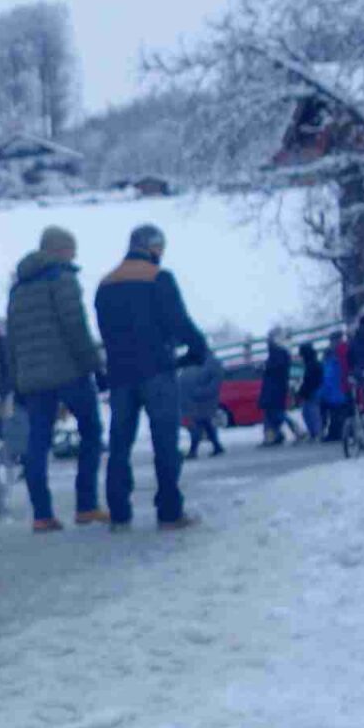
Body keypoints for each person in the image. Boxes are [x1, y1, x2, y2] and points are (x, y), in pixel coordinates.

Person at [94, 223, 211, 531]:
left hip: (120, 374)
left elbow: (104, 331)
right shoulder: (159, 277)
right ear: (153, 247)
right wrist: (198, 348)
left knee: (120, 444)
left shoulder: (105, 283)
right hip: (157, 370)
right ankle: (169, 513)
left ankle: (119, 514)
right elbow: (178, 321)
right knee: (165, 441)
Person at [4, 227, 105, 533]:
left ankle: (42, 514)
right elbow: (75, 327)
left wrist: (17, 379)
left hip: (33, 379)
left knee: (37, 442)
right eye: (71, 250)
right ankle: (86, 505)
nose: (74, 256)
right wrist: (94, 365)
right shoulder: (62, 279)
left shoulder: (18, 287)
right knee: (91, 431)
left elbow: (12, 340)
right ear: (59, 250)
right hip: (69, 372)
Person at [182, 348, 227, 459]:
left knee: (197, 424)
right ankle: (217, 446)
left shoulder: (212, 364)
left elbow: (215, 384)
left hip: (203, 401)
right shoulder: (197, 362)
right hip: (194, 400)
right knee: (205, 423)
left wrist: (200, 392)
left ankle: (193, 450)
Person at [258, 335, 299, 445]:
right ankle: (274, 436)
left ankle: (276, 436)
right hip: (277, 390)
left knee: (274, 414)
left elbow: (273, 372)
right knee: (273, 415)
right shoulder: (281, 355)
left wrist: (265, 368)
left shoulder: (275, 357)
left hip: (273, 390)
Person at [297, 341, 324, 442]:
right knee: (310, 412)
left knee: (311, 413)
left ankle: (316, 433)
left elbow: (309, 380)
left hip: (312, 391)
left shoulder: (311, 364)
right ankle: (315, 433)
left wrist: (302, 391)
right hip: (314, 390)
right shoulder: (314, 362)